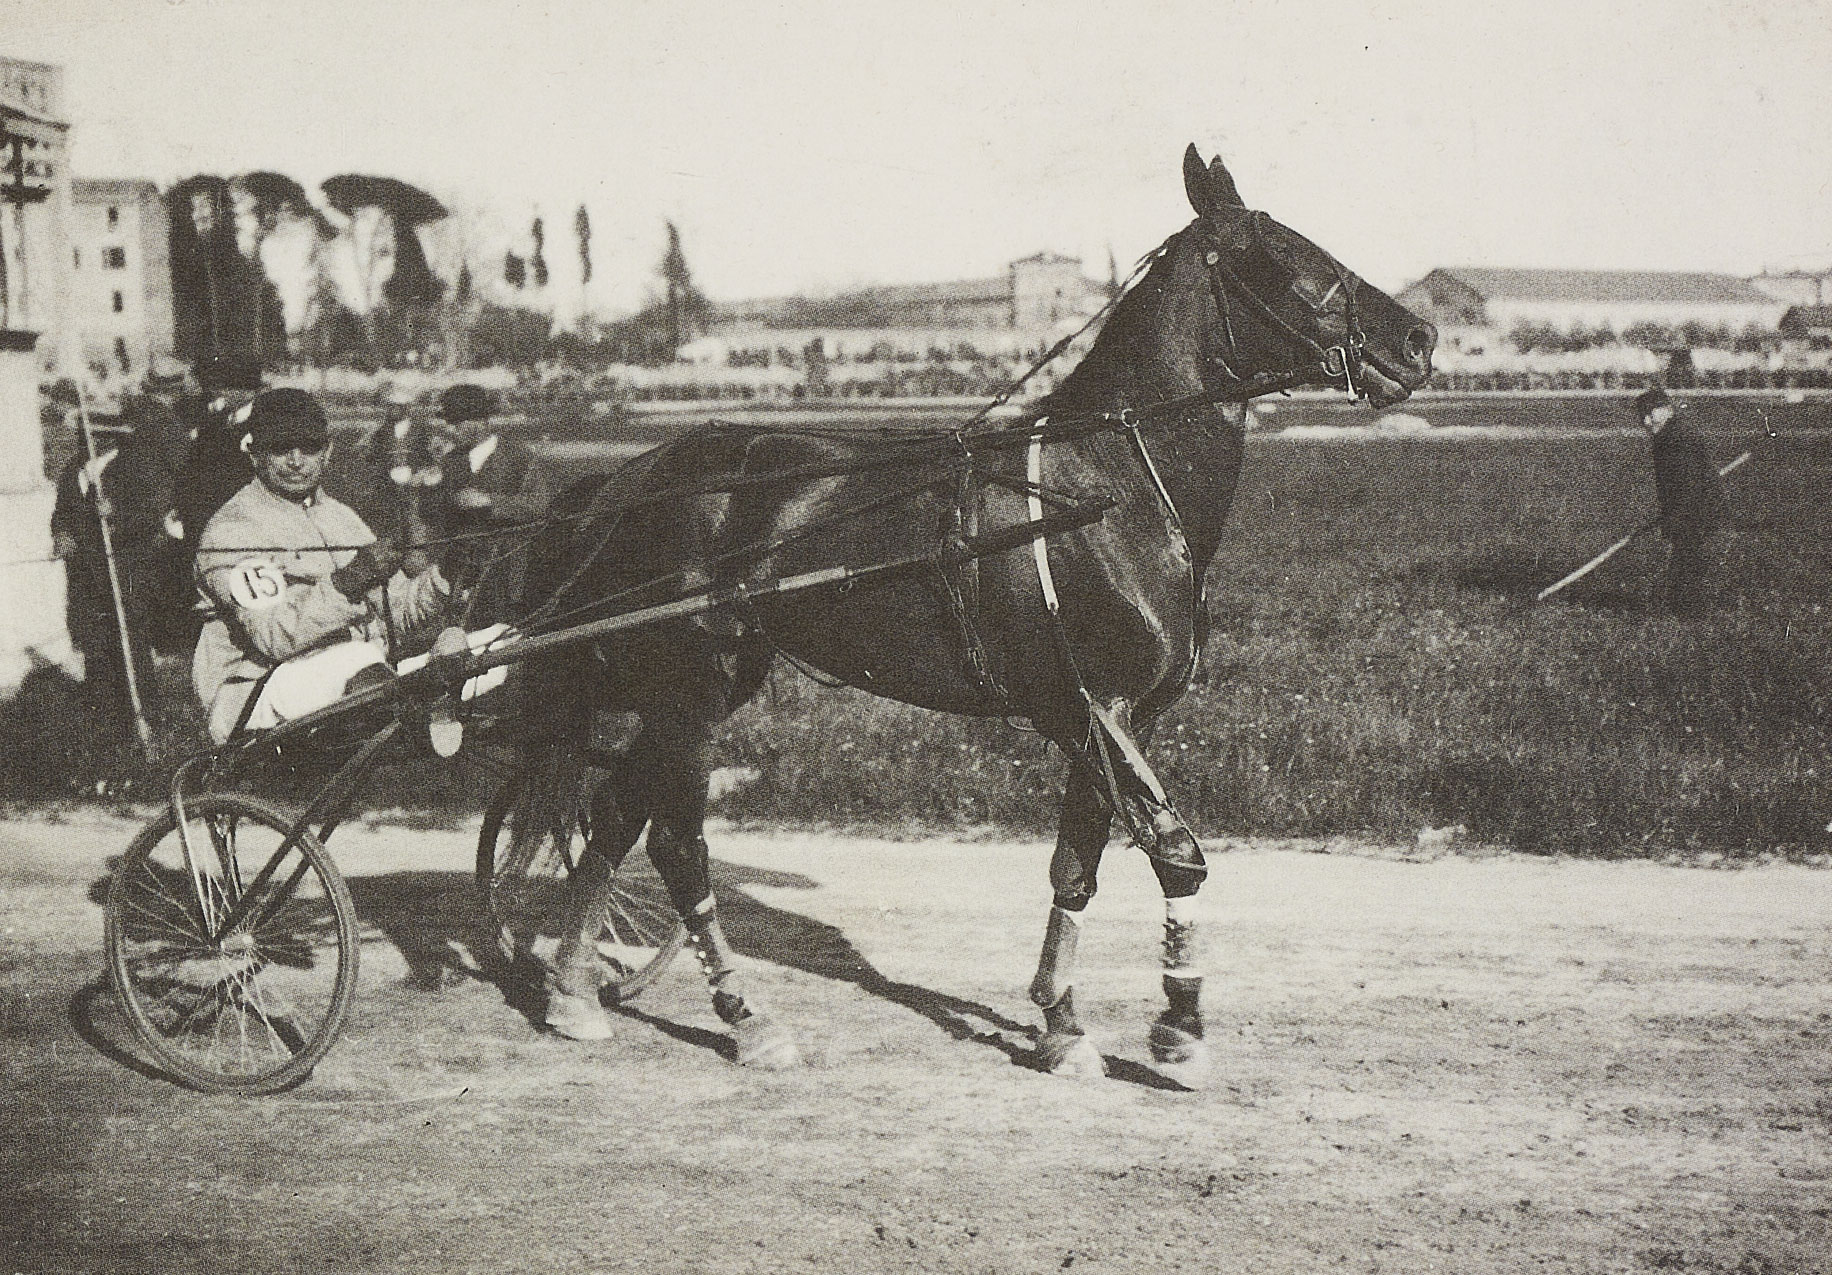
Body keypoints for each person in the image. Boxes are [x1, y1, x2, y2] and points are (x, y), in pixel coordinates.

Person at [191, 388, 453, 744]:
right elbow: (273, 637)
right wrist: (347, 582)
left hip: (356, 671)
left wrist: (445, 577)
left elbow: (397, 610)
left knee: (501, 640)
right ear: (255, 454)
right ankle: (426, 708)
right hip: (256, 688)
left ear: (327, 452)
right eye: (281, 448)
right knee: (355, 660)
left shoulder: (340, 517)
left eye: (309, 447)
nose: (296, 461)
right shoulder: (231, 529)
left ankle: (426, 696)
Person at [426, 383, 547, 624]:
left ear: (480, 420)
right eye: (452, 422)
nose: (453, 429)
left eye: (458, 422)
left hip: (507, 570)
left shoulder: (519, 457)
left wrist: (490, 502)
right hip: (459, 571)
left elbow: (540, 506)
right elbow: (436, 519)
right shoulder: (450, 461)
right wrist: (430, 490)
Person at [1635, 386, 1729, 616]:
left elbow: (1689, 482)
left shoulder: (1677, 438)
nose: (1647, 421)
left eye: (1650, 414)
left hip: (1695, 507)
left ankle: (1689, 609)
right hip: (1686, 506)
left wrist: (1676, 515)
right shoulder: (1668, 434)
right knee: (1686, 555)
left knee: (1687, 556)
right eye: (1642, 417)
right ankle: (1684, 606)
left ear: (1666, 410)